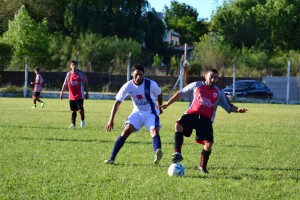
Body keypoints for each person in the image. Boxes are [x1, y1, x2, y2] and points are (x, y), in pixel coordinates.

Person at [158, 68, 247, 174]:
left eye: (216, 78)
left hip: (206, 120)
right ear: (205, 76)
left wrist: (238, 110)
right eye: (211, 77)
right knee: (178, 125)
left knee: (208, 144)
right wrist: (167, 104)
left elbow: (229, 106)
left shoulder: (219, 93)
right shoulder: (197, 85)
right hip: (192, 114)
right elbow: (180, 93)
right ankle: (177, 153)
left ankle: (202, 166)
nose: (213, 80)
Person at [104, 64, 164, 165]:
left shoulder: (151, 84)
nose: (138, 77)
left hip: (151, 112)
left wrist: (160, 106)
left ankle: (157, 152)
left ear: (143, 74)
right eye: (136, 74)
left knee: (154, 131)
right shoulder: (128, 86)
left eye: (141, 75)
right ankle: (112, 158)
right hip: (137, 112)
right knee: (126, 130)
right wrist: (111, 119)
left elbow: (160, 94)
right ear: (132, 74)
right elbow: (117, 102)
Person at [60, 60, 89, 128]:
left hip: (80, 95)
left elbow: (86, 83)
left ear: (77, 66)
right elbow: (65, 84)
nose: (74, 66)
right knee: (73, 111)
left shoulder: (81, 74)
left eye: (75, 65)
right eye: (72, 65)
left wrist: (87, 93)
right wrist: (62, 93)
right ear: (70, 66)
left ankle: (82, 121)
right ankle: (73, 124)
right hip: (71, 96)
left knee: (80, 110)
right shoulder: (68, 74)